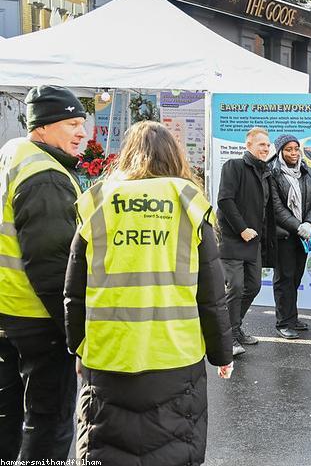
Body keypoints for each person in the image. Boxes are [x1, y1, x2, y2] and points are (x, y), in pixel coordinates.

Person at [64, 121, 233, 466]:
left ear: (127, 155)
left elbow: (75, 290)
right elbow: (211, 295)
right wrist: (221, 354)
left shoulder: (98, 201)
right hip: (175, 354)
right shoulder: (188, 202)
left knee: (105, 449)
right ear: (174, 156)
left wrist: (78, 347)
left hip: (109, 353)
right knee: (173, 449)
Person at [0, 85, 86, 460]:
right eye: (72, 124)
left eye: (82, 123)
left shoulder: (13, 153)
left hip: (8, 310)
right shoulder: (45, 175)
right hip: (37, 319)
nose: (82, 132)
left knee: (8, 417)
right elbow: (53, 266)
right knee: (48, 422)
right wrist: (75, 335)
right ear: (43, 127)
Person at [217, 127, 274, 356]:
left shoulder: (265, 172)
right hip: (233, 239)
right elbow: (225, 200)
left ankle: (235, 328)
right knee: (236, 287)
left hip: (254, 241)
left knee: (254, 286)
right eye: (261, 144)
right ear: (248, 145)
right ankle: (228, 337)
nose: (266, 148)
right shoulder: (234, 166)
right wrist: (242, 229)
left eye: (268, 145)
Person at [269, 134, 311, 339]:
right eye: (288, 149)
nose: (293, 153)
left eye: (296, 149)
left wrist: (309, 223)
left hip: (304, 234)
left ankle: (292, 317)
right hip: (284, 235)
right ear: (280, 152)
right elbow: (276, 207)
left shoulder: (306, 171)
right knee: (284, 279)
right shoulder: (273, 173)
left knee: (296, 278)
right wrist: (297, 226)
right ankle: (283, 322)